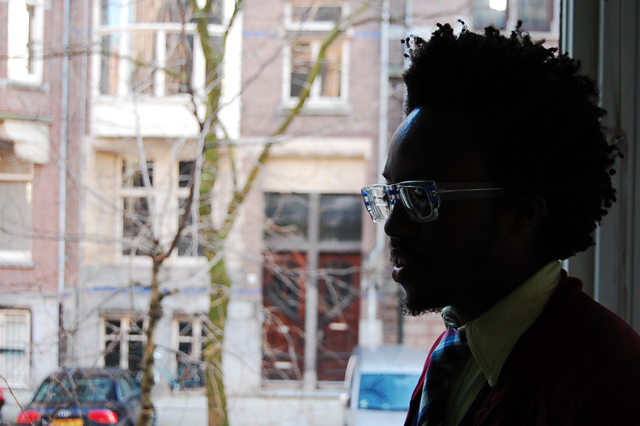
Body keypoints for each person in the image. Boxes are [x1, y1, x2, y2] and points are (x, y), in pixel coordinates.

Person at [360, 22, 640, 426]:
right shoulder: (457, 351)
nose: (393, 226)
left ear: (523, 211)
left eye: (421, 197)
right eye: (392, 195)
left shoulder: (609, 382)